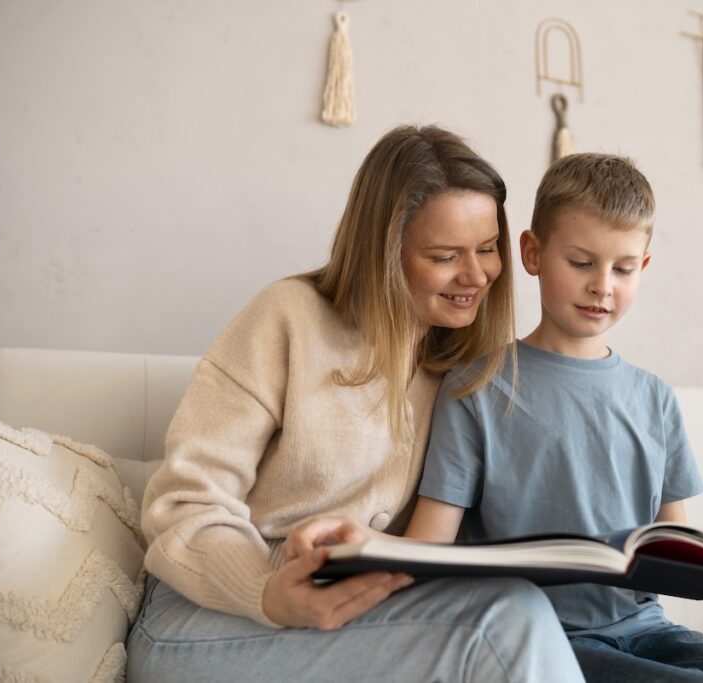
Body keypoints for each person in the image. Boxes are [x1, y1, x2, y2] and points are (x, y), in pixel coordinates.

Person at [126, 125, 585, 683]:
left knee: (517, 612)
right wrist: (267, 592)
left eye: (487, 249)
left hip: (360, 614)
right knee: (504, 623)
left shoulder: (468, 362)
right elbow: (184, 504)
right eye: (444, 256)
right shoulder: (287, 319)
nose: (476, 275)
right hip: (204, 620)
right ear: (385, 253)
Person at [403, 153, 703, 682]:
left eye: (623, 268)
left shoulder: (654, 398)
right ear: (532, 253)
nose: (603, 286)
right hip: (543, 638)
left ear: (645, 267)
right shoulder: (476, 388)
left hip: (648, 627)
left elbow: (672, 543)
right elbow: (430, 543)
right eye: (581, 262)